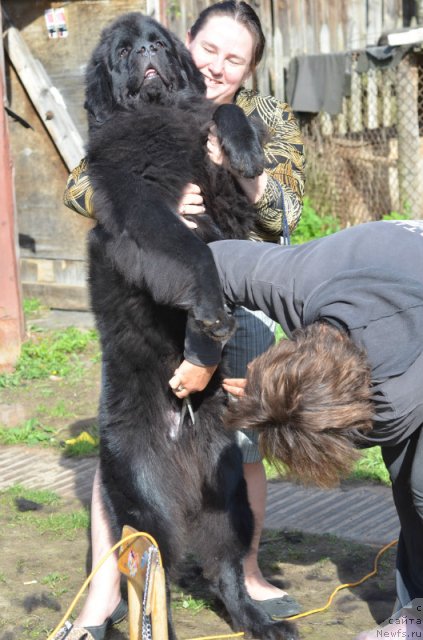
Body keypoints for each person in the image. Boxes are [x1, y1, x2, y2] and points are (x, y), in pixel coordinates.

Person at [57, 2, 305, 638]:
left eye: (236, 58)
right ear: (187, 45)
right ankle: (107, 594)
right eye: (210, 50)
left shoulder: (266, 117)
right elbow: (83, 184)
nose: (219, 65)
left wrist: (232, 162)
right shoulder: (135, 109)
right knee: (127, 459)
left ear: (250, 70)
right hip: (149, 318)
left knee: (232, 453)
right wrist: (158, 196)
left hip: (232, 306)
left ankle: (240, 580)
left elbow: (288, 212)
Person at [170, 219, 423, 640]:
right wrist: (204, 355)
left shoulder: (397, 398)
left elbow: (360, 434)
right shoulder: (296, 283)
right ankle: (418, 609)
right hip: (391, 256)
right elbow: (210, 263)